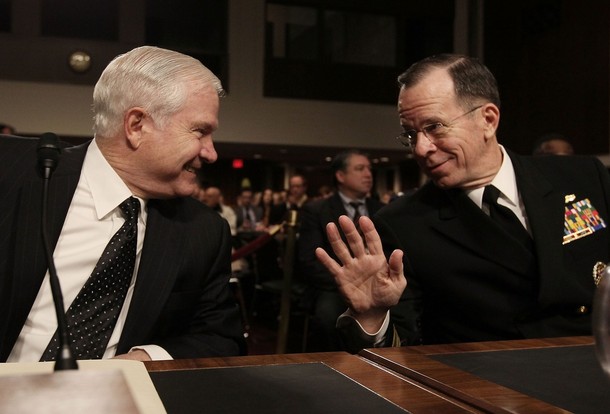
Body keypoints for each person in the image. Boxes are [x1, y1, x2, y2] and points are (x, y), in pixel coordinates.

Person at [316, 54, 610, 353]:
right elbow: (402, 347)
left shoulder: (583, 176)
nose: (421, 148)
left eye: (434, 127)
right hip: (495, 385)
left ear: (488, 119)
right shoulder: (403, 224)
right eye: (410, 134)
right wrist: (372, 317)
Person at [0, 46, 246, 362]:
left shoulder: (204, 231)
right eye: (200, 131)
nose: (211, 153)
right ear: (136, 126)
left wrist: (146, 359)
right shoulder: (15, 172)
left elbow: (221, 338)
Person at [299, 149, 385, 350]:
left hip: (378, 284)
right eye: (360, 169)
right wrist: (346, 280)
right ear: (340, 176)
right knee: (328, 317)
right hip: (333, 285)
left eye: (369, 169)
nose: (368, 174)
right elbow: (308, 260)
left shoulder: (381, 209)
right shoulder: (317, 210)